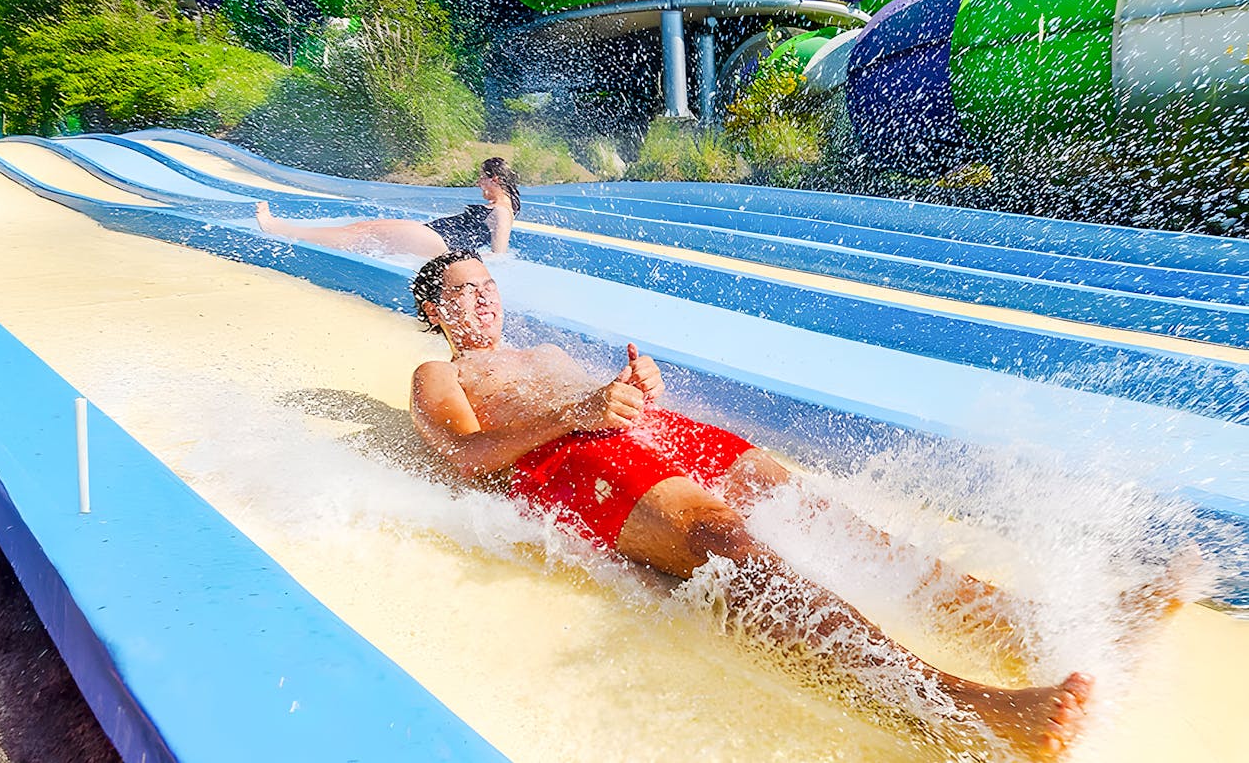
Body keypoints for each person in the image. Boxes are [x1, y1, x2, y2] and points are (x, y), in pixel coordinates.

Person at [406, 249, 1097, 757]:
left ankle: (1007, 618)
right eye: (466, 292)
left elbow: (595, 401)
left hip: (649, 432)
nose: (485, 300)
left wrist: (634, 387)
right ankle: (965, 707)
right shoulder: (437, 372)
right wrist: (576, 414)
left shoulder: (547, 350)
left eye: (490, 286)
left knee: (825, 517)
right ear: (436, 310)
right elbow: (465, 454)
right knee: (727, 544)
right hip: (575, 458)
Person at [256, 157, 519, 257]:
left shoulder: (501, 212)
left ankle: (280, 229)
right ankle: (286, 229)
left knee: (363, 234)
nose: (478, 183)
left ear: (495, 179)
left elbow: (499, 255)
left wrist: (459, 259)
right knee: (363, 230)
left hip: (438, 241)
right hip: (433, 238)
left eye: (482, 178)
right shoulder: (498, 207)